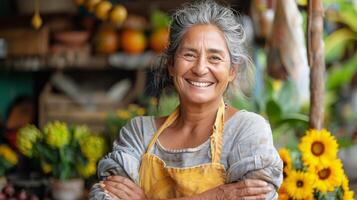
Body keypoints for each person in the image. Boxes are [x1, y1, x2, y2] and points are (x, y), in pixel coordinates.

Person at [89, 0, 283, 199]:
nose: (200, 69)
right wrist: (216, 195)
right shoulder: (139, 134)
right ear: (171, 65)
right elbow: (102, 195)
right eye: (189, 55)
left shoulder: (247, 130)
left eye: (214, 58)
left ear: (232, 71)